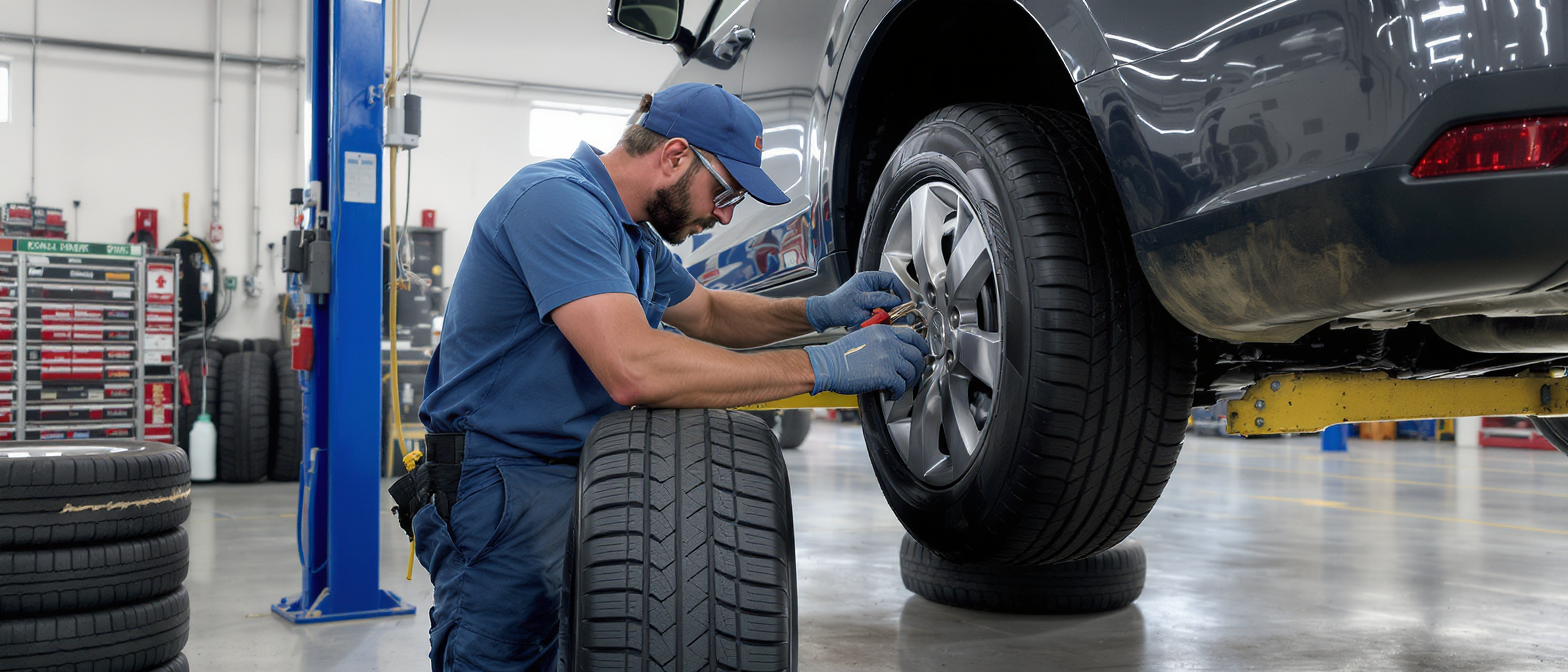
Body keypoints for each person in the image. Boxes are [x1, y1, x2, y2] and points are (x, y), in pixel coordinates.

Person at [414, 82, 928, 671]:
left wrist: (818, 311)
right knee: (500, 657)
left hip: (576, 480)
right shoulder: (554, 201)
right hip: (500, 485)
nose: (725, 213)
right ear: (676, 155)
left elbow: (708, 312)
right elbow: (633, 367)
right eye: (726, 191)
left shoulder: (631, 234)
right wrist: (822, 365)